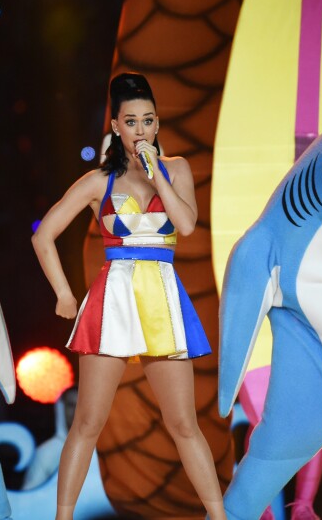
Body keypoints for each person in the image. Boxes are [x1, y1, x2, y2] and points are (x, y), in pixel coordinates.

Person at [31, 72, 226, 520]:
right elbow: (44, 237)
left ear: (157, 124)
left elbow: (189, 225)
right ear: (116, 126)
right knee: (87, 423)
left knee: (183, 424)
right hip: (112, 299)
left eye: (149, 121)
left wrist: (158, 175)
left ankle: (219, 518)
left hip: (162, 296)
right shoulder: (98, 182)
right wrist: (64, 293)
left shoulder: (175, 169)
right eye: (132, 121)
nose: (141, 130)